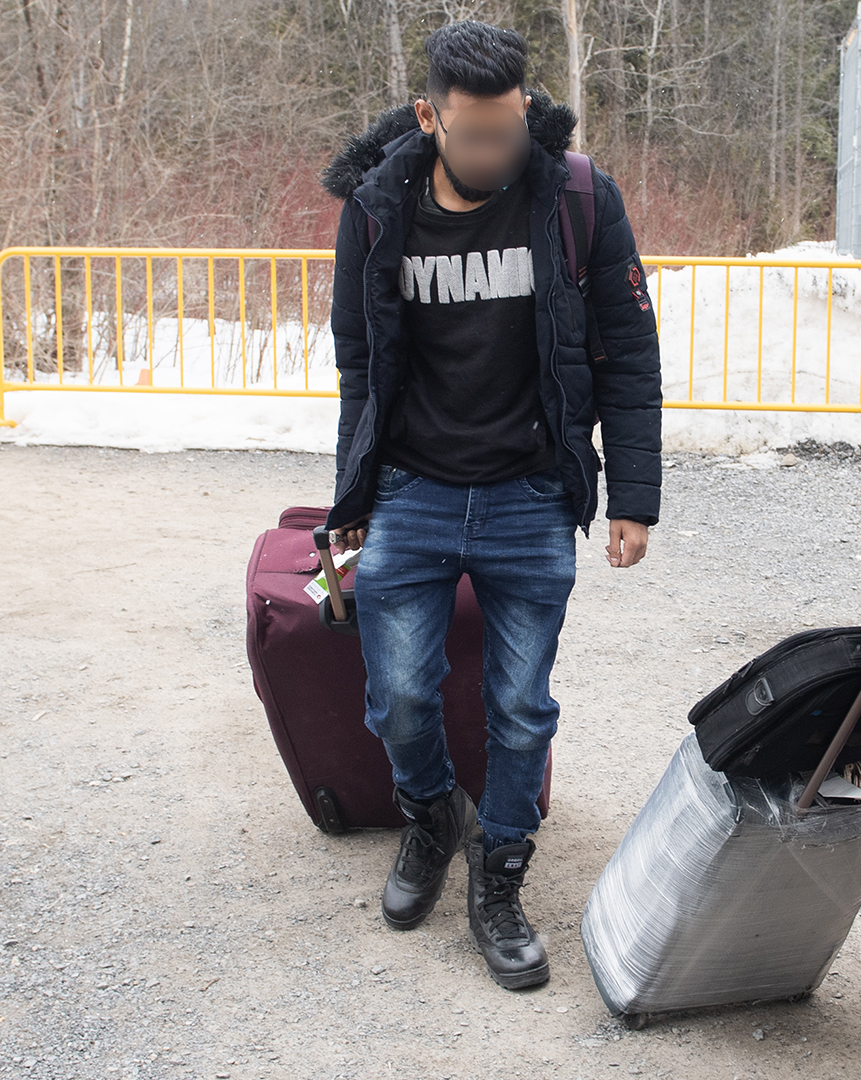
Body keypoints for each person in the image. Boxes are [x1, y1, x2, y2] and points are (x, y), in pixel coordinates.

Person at [319, 20, 663, 989]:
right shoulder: (377, 207)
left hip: (528, 496)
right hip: (413, 492)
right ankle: (433, 819)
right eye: (475, 135)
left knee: (520, 708)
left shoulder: (576, 197)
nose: (498, 153)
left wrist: (634, 494)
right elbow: (361, 366)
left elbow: (629, 355)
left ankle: (500, 873)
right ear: (430, 118)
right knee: (397, 696)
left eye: (511, 130)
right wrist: (351, 497)